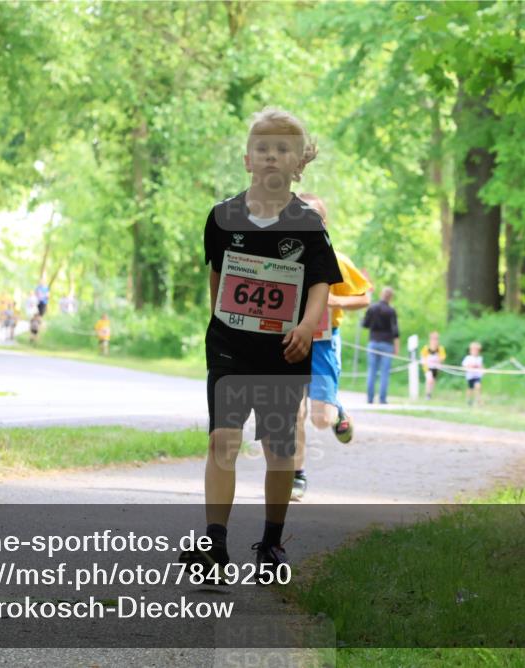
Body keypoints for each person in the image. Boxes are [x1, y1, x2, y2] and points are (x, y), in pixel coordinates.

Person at [178, 107, 341, 577]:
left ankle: (271, 543)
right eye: (263, 148)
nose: (272, 156)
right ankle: (215, 546)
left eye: (283, 149)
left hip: (284, 350)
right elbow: (218, 276)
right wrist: (222, 322)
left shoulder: (308, 222)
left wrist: (308, 327)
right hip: (230, 346)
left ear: (298, 163)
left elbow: (320, 284)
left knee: (279, 448)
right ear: (248, 159)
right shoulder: (222, 216)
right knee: (222, 441)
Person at [291, 192, 372, 501]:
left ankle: (337, 412)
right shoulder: (283, 259)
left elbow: (364, 297)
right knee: (293, 413)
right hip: (290, 342)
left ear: (323, 224)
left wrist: (335, 300)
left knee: (320, 419)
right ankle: (297, 476)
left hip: (323, 344)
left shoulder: (336, 260)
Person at [362, 287, 399, 404]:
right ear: (391, 297)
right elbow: (395, 331)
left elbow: (365, 324)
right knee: (384, 372)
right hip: (387, 344)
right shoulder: (391, 311)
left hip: (373, 342)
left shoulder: (372, 308)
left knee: (372, 371)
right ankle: (382, 399)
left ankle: (370, 398)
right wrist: (396, 347)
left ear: (381, 294)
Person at [421, 331, 447, 400]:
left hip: (435, 368)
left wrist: (439, 362)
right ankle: (427, 394)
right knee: (429, 379)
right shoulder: (426, 348)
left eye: (436, 339)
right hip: (427, 367)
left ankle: (430, 393)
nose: (434, 341)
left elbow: (442, 358)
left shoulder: (440, 349)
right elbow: (423, 358)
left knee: (433, 381)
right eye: (433, 339)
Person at [461, 342, 484, 407]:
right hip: (470, 376)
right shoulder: (468, 358)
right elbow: (464, 366)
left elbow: (481, 366)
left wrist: (483, 370)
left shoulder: (480, 358)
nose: (475, 352)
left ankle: (478, 400)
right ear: (470, 351)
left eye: (477, 350)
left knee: (478, 386)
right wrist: (470, 366)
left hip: (477, 376)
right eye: (474, 350)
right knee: (470, 389)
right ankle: (469, 400)